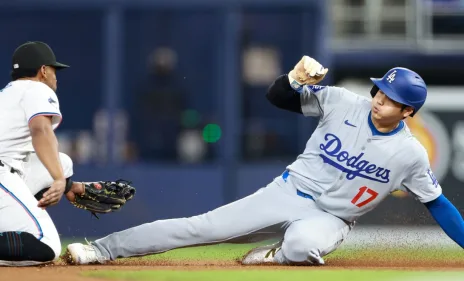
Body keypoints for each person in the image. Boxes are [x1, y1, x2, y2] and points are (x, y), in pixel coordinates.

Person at [65, 56, 464, 266]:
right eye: (380, 90)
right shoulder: (343, 100)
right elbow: (278, 98)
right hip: (287, 192)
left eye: (392, 99)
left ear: (409, 112)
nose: (380, 99)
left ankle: (275, 255)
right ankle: (101, 249)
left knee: (305, 246)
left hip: (332, 220)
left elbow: (438, 204)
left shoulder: (411, 153)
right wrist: (294, 79)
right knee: (199, 228)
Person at [0, 41, 134, 267]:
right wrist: (60, 180)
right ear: (43, 70)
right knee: (47, 246)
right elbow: (40, 130)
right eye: (53, 70)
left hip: (8, 172)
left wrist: (69, 185)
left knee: (63, 163)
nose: (55, 77)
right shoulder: (37, 88)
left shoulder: (8, 94)